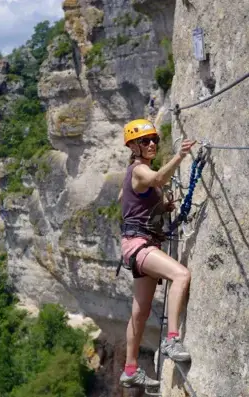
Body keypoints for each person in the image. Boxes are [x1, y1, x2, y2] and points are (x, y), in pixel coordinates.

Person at [118, 119, 196, 389]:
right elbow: (158, 179)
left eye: (154, 140)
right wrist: (180, 156)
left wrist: (161, 207)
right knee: (181, 275)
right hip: (140, 245)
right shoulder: (139, 170)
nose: (151, 144)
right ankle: (172, 339)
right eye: (144, 141)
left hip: (137, 244)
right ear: (133, 146)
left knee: (140, 312)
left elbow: (125, 199)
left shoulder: (136, 172)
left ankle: (130, 369)